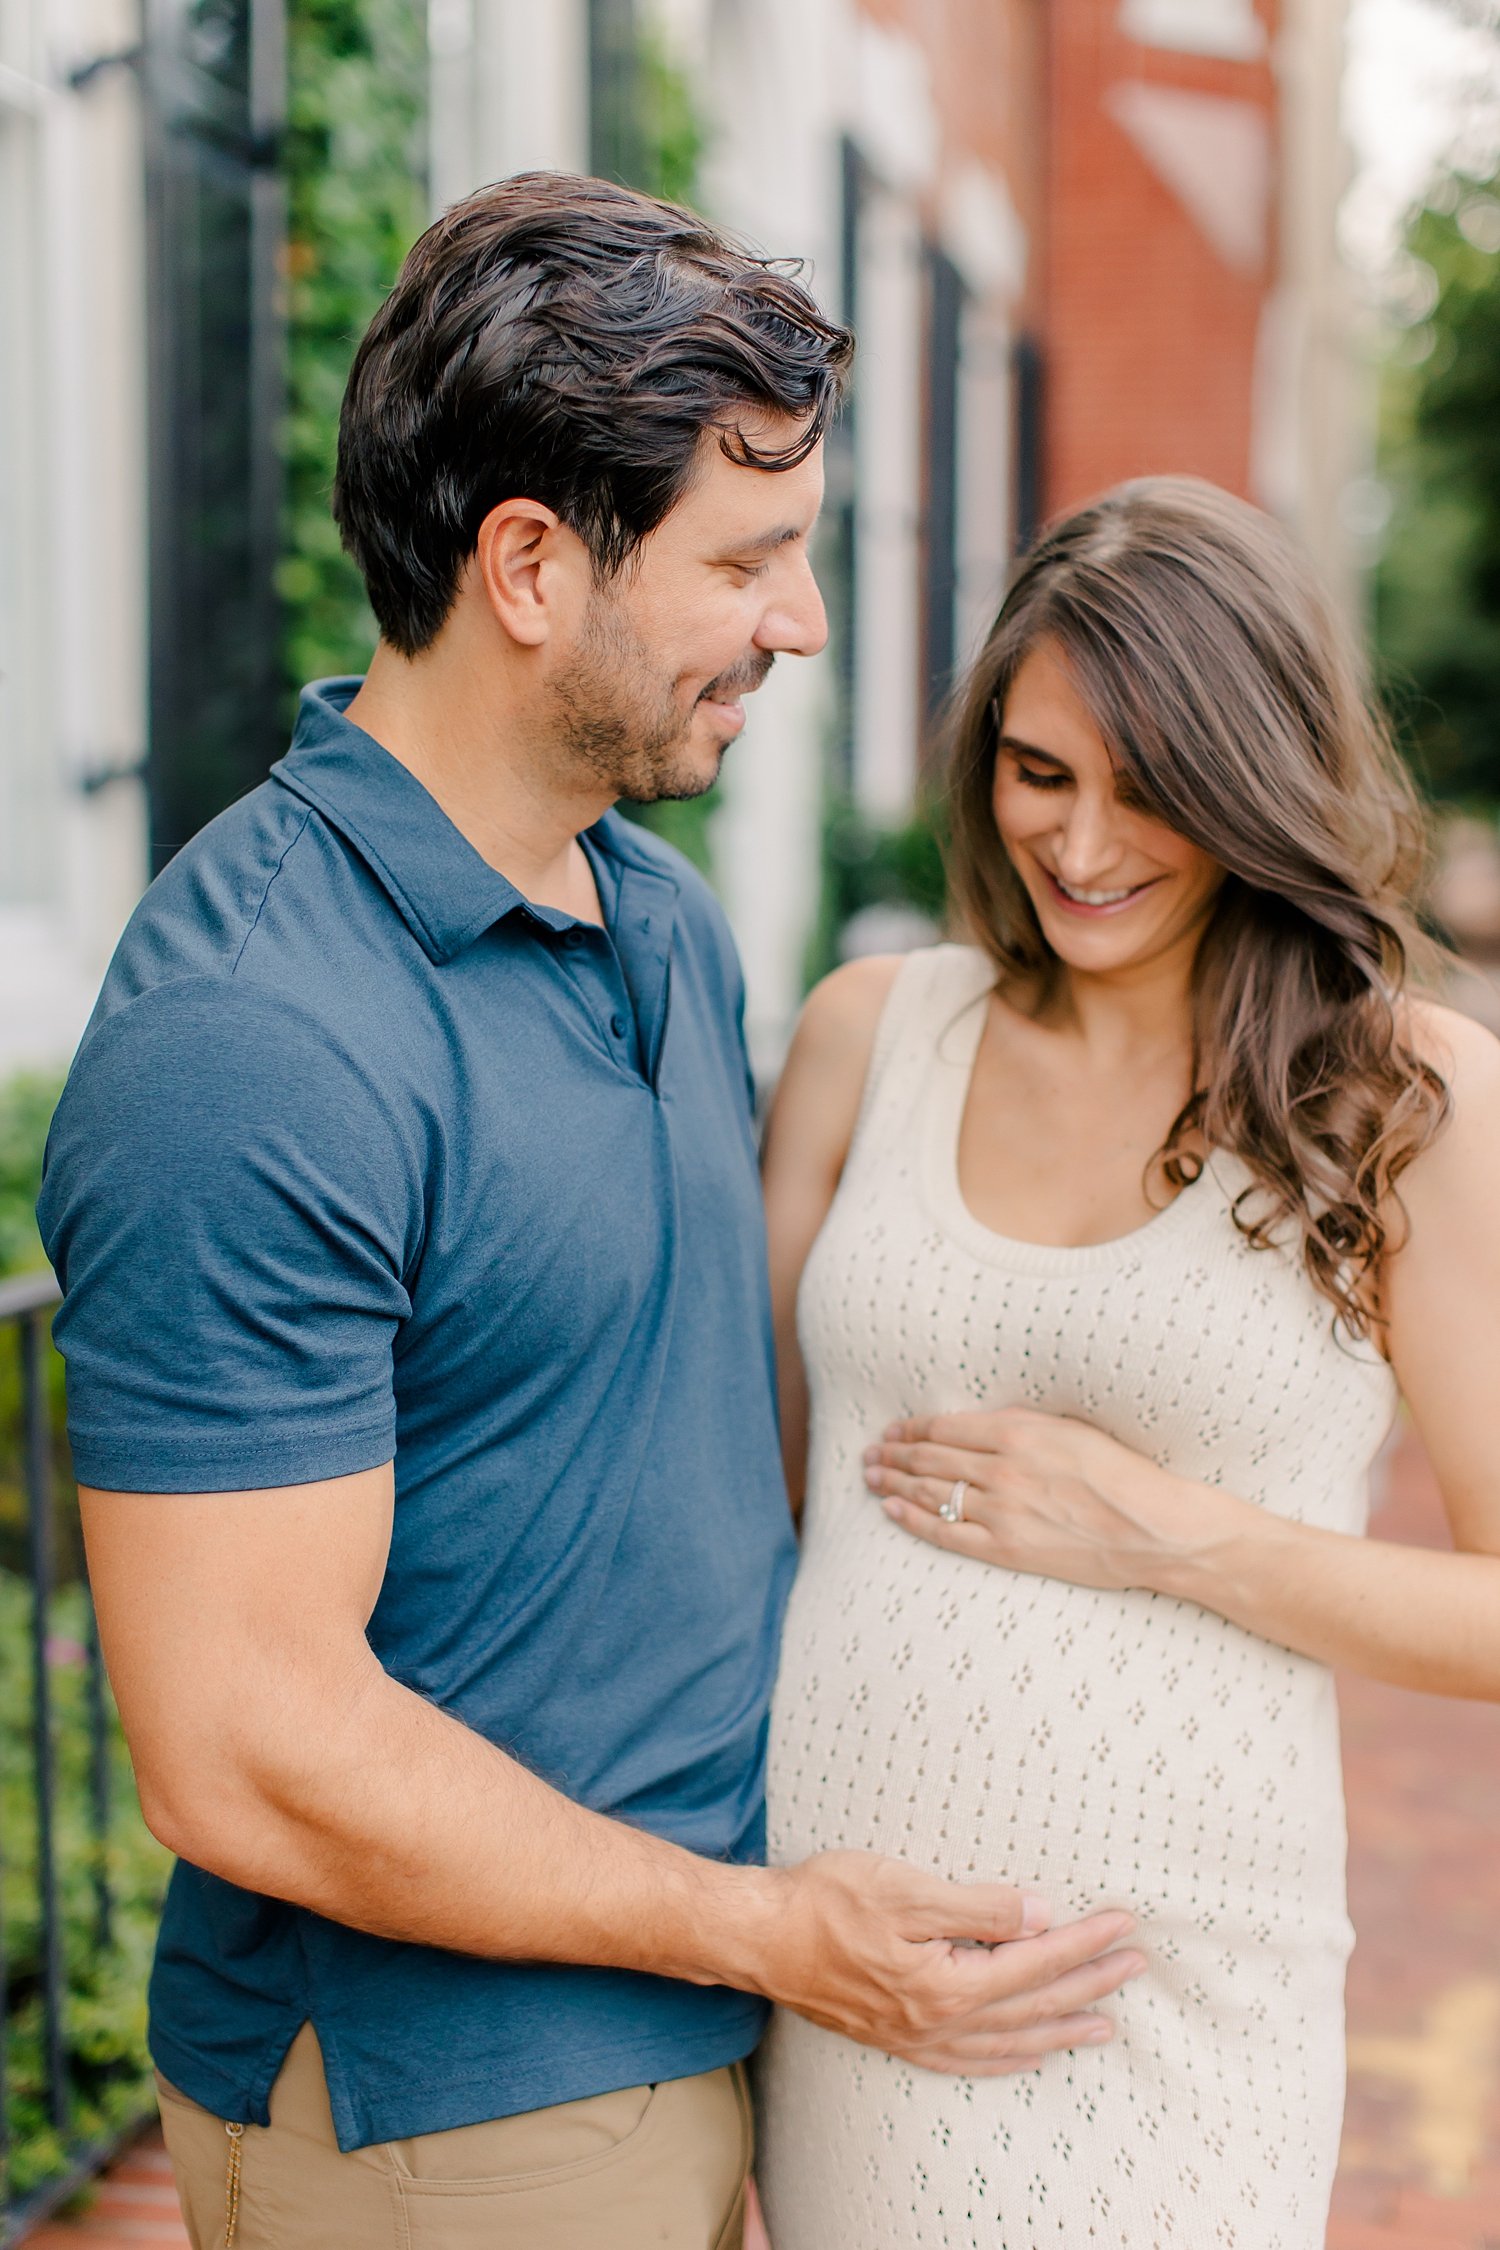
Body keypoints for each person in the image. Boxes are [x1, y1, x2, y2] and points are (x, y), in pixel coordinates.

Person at [38, 175, 1139, 2250]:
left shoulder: (657, 917)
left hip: (683, 2031)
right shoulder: (257, 1036)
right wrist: (761, 1928)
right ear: (528, 566)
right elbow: (239, 1745)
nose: (799, 624)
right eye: (749, 562)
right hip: (445, 2119)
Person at [754, 475, 1500, 2250]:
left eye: (1155, 786)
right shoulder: (872, 1037)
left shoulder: (1406, 1096)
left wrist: (1162, 1530)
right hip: (847, 1962)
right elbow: (752, 1505)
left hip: (1167, 2004)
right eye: (1039, 773)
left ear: (1262, 781)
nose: (1083, 845)